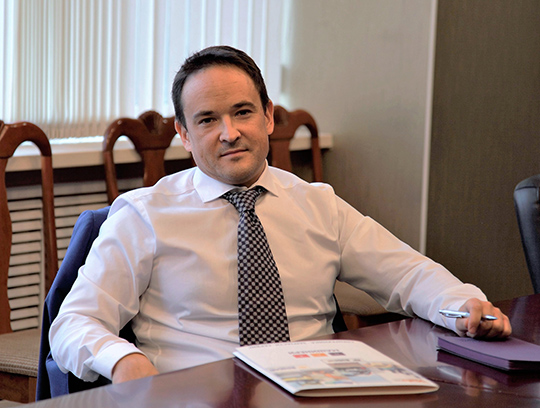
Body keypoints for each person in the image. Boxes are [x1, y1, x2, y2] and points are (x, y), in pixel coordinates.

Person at [50, 45, 511, 386]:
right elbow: (73, 322)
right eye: (207, 120)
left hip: (317, 390)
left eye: (243, 112)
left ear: (268, 117)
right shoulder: (144, 215)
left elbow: (407, 274)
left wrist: (463, 304)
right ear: (184, 135)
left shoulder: (317, 203)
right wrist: (123, 361)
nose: (229, 133)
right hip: (197, 396)